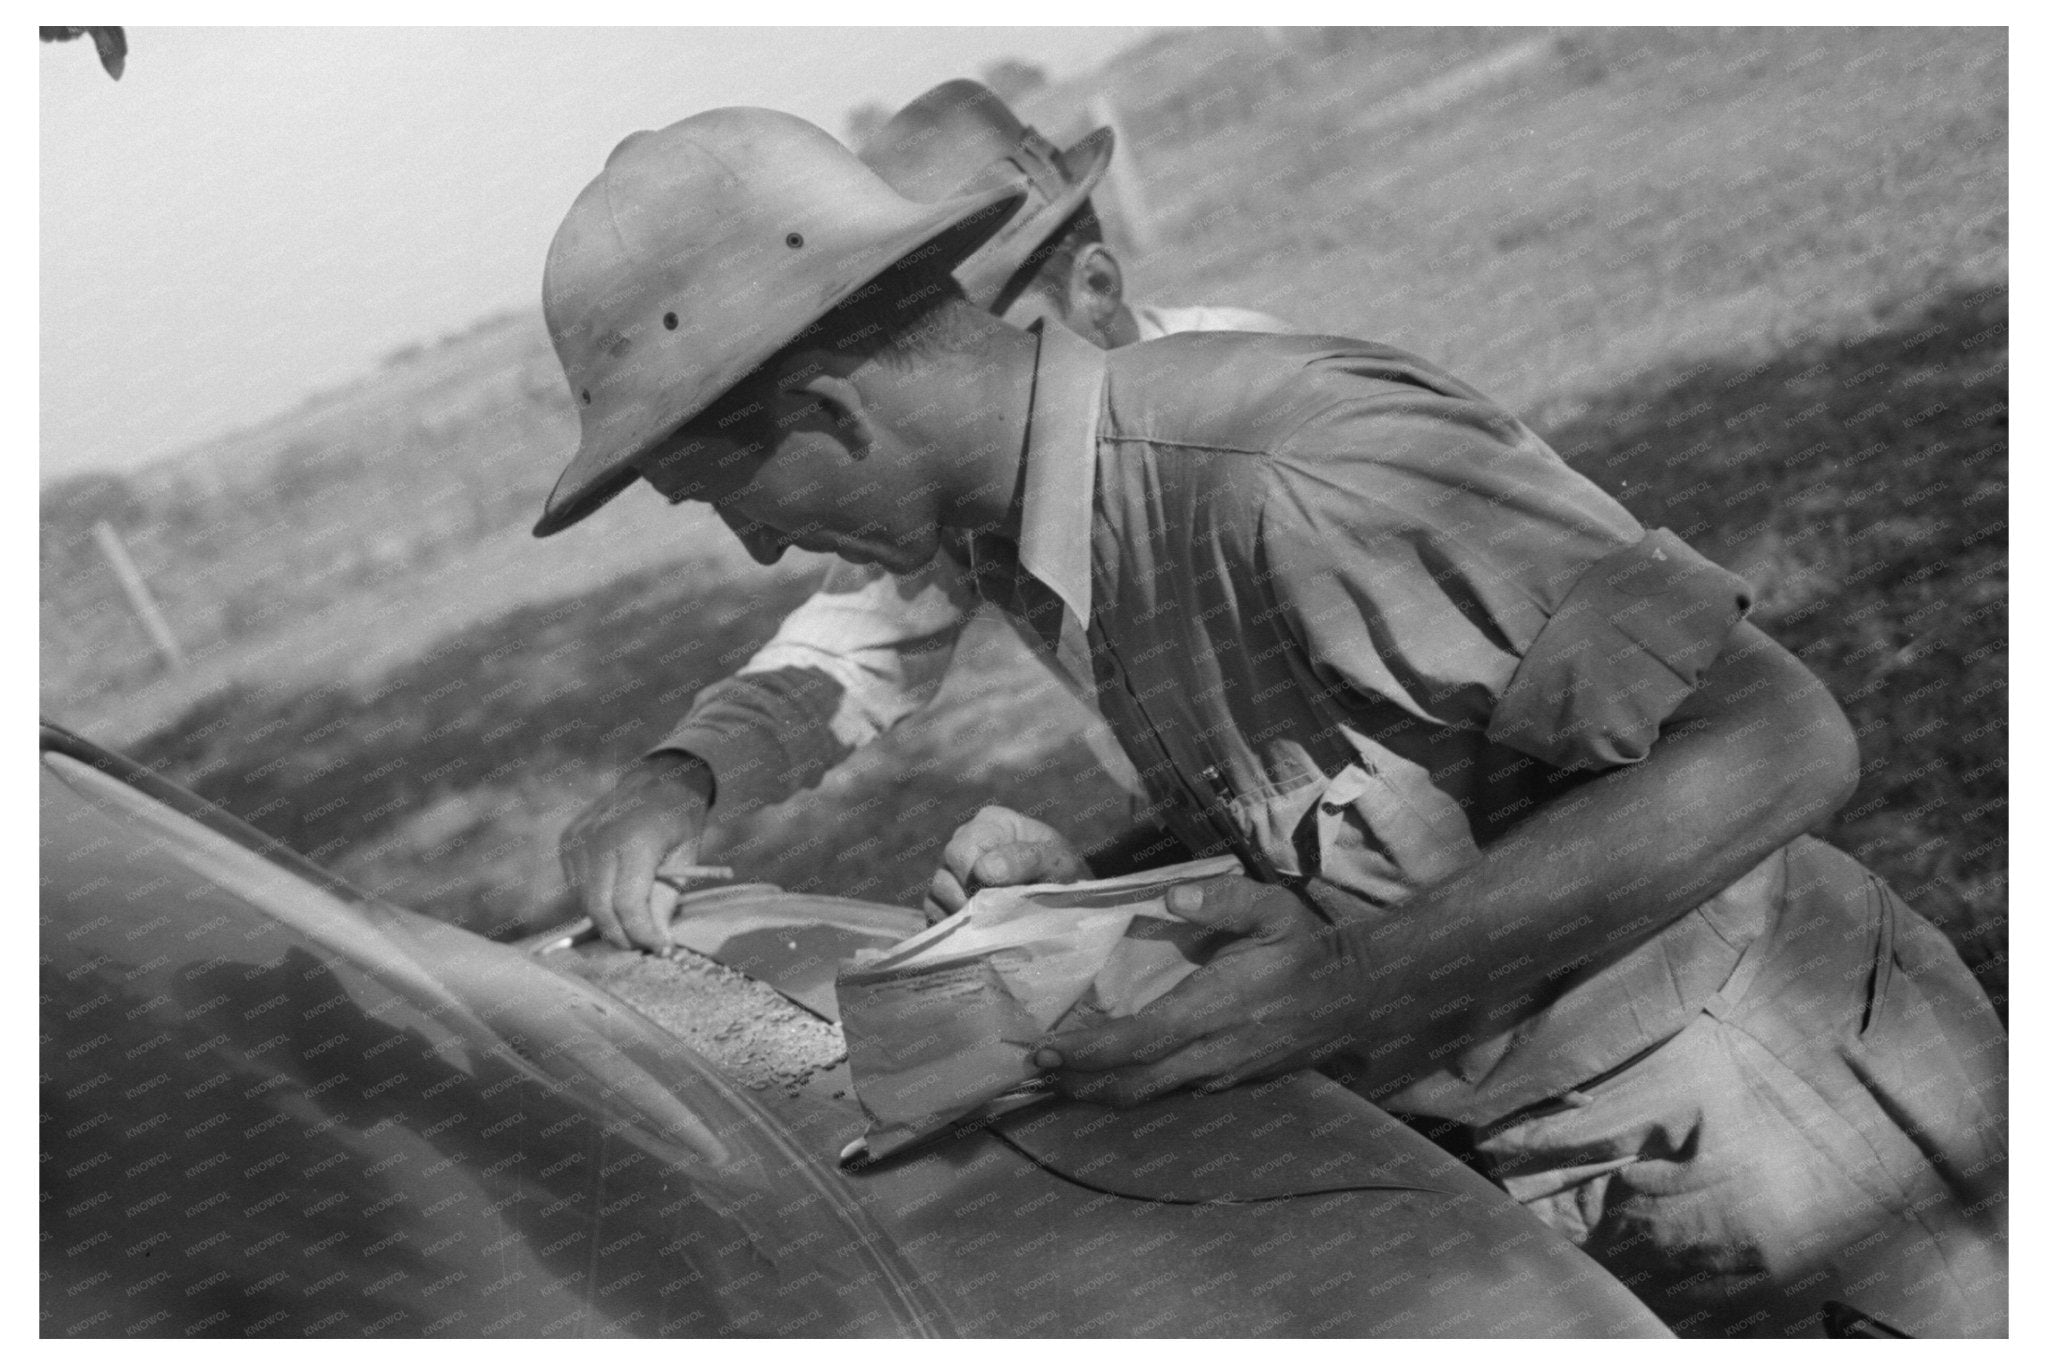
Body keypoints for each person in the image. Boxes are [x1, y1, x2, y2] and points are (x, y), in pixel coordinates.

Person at [530, 108, 2006, 1336]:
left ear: (839, 414)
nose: (759, 553)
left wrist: (1338, 990)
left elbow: (1777, 741)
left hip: (1781, 1136)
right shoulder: (1034, 525)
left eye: (729, 495)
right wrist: (1114, 899)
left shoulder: (1282, 460)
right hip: (1568, 1142)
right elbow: (1403, 783)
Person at [557, 80, 1286, 944]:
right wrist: (680, 775)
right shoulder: (972, 490)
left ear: (1095, 286)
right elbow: (850, 650)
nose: (945, 380)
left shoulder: (1258, 429)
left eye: (975, 333)